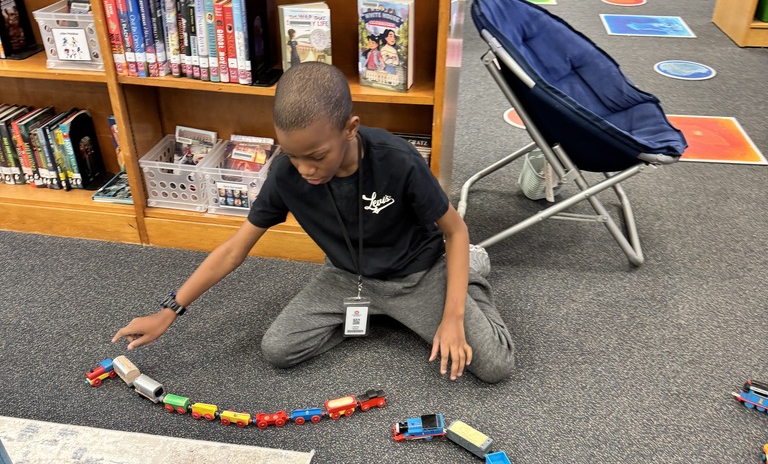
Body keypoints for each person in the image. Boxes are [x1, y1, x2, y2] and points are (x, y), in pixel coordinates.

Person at [113, 63, 514, 383]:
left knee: (495, 366)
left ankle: (472, 274)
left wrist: (452, 317)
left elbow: (455, 231)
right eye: (292, 154)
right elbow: (235, 250)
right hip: (347, 275)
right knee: (278, 350)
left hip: (419, 274)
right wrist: (169, 310)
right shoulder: (287, 173)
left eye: (317, 156)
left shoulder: (398, 159)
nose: (305, 169)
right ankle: (381, 313)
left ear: (350, 128)